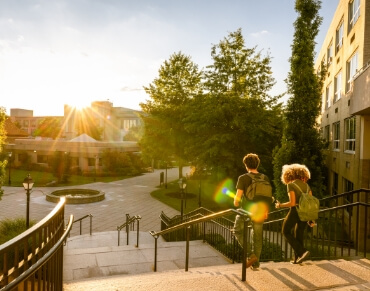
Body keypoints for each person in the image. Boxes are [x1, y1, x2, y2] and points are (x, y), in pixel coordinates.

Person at [233, 153, 272, 270]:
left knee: (237, 231)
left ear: (246, 165)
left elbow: (237, 198)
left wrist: (236, 203)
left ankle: (250, 255)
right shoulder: (265, 178)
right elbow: (267, 196)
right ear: (257, 164)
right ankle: (255, 263)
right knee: (257, 237)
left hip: (246, 211)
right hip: (261, 211)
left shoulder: (243, 178)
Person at [275, 163, 313, 264]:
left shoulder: (291, 185)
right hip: (305, 213)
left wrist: (280, 205)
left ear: (289, 175)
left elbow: (292, 203)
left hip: (295, 211)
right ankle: (298, 258)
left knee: (285, 231)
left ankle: (302, 251)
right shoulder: (307, 186)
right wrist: (311, 219)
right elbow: (310, 203)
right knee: (299, 234)